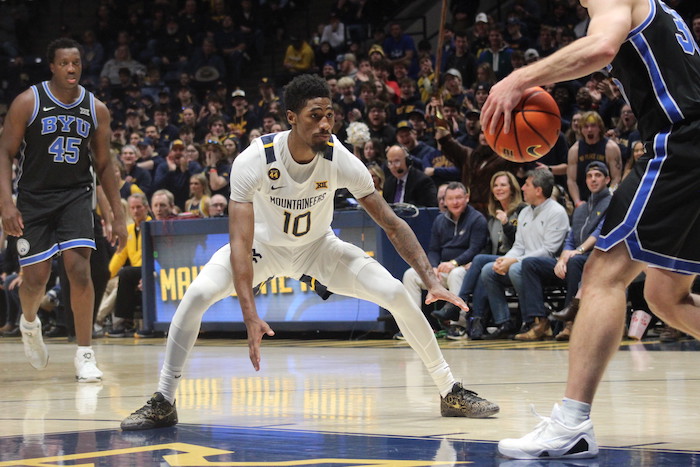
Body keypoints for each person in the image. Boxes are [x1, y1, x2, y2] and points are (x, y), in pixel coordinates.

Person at [120, 74, 498, 431]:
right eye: (314, 116)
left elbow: (392, 224)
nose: (325, 124)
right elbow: (239, 244)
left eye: (329, 115)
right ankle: (164, 400)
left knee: (396, 293)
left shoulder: (339, 158)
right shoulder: (254, 160)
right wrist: (250, 315)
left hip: (318, 248)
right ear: (291, 118)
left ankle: (450, 392)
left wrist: (431, 280)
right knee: (196, 296)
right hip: (262, 249)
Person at [482, 0, 700, 459]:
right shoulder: (660, 8)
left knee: (602, 276)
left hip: (680, 141)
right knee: (666, 296)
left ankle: (571, 424)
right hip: (690, 142)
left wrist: (519, 78)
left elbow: (601, 47)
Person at [0, 38, 127, 381]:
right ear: (52, 67)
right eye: (64, 63)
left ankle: (85, 353)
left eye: (76, 63)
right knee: (36, 278)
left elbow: (104, 165)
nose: (71, 69)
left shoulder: (96, 109)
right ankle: (29, 324)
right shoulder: (28, 102)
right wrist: (6, 203)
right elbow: (4, 153)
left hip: (75, 195)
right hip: (34, 199)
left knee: (79, 270)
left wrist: (117, 217)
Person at [518, 161, 612, 341]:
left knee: (575, 262)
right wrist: (562, 259)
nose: (593, 179)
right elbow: (570, 239)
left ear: (607, 179)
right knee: (530, 264)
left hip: (600, 257)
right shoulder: (581, 208)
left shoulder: (613, 203)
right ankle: (540, 322)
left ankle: (571, 322)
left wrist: (578, 250)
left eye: (598, 175)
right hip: (576, 257)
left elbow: (601, 231)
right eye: (589, 176)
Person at [401, 182, 488, 337]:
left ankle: (458, 325)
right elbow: (434, 250)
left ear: (467, 198)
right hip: (442, 270)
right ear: (445, 201)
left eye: (459, 198)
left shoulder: (477, 219)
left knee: (456, 274)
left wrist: (454, 263)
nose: (455, 202)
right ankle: (413, 326)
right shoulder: (439, 220)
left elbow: (475, 249)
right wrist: (433, 267)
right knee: (410, 275)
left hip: (465, 269)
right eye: (451, 198)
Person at [566, 111, 621, 205]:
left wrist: (609, 199)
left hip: (605, 197)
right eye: (585, 126)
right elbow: (571, 180)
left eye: (593, 126)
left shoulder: (611, 148)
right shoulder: (574, 150)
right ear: (581, 130)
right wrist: (577, 201)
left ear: (600, 128)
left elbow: (616, 178)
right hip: (583, 199)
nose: (589, 130)